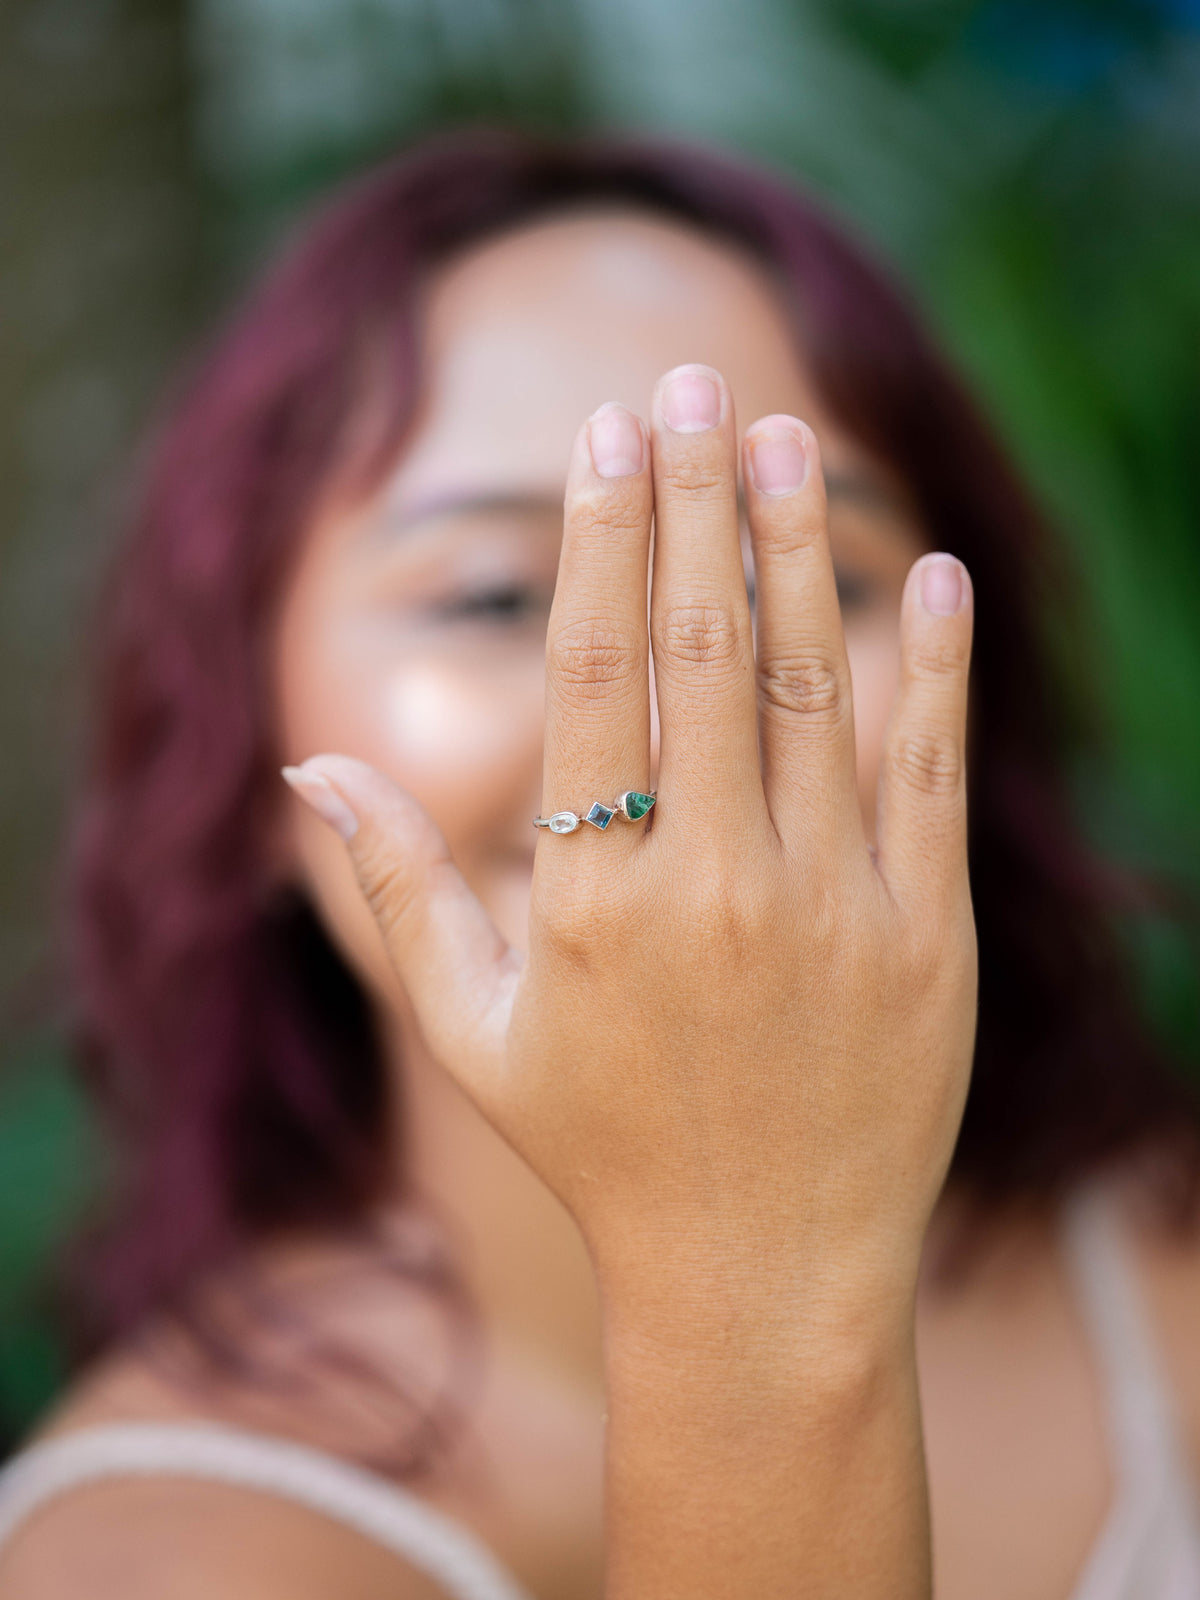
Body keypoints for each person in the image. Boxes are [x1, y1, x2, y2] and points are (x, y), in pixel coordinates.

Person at [0, 130, 1197, 1600]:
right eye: (498, 594)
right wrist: (740, 1296)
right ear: (241, 748)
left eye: (812, 578)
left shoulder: (1165, 1264)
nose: (663, 709)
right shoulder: (158, 1564)